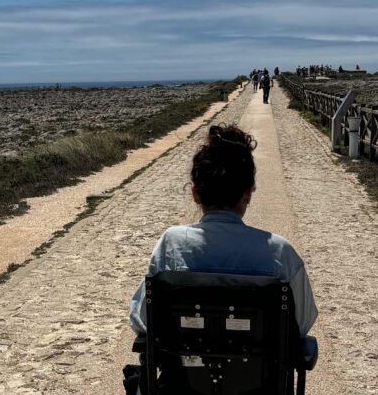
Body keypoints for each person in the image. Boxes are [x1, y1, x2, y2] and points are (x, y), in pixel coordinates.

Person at [129, 123, 317, 337]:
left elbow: (142, 320)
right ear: (247, 195)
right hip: (260, 370)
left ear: (195, 194)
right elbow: (301, 323)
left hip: (183, 368)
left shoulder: (171, 244)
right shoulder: (280, 252)